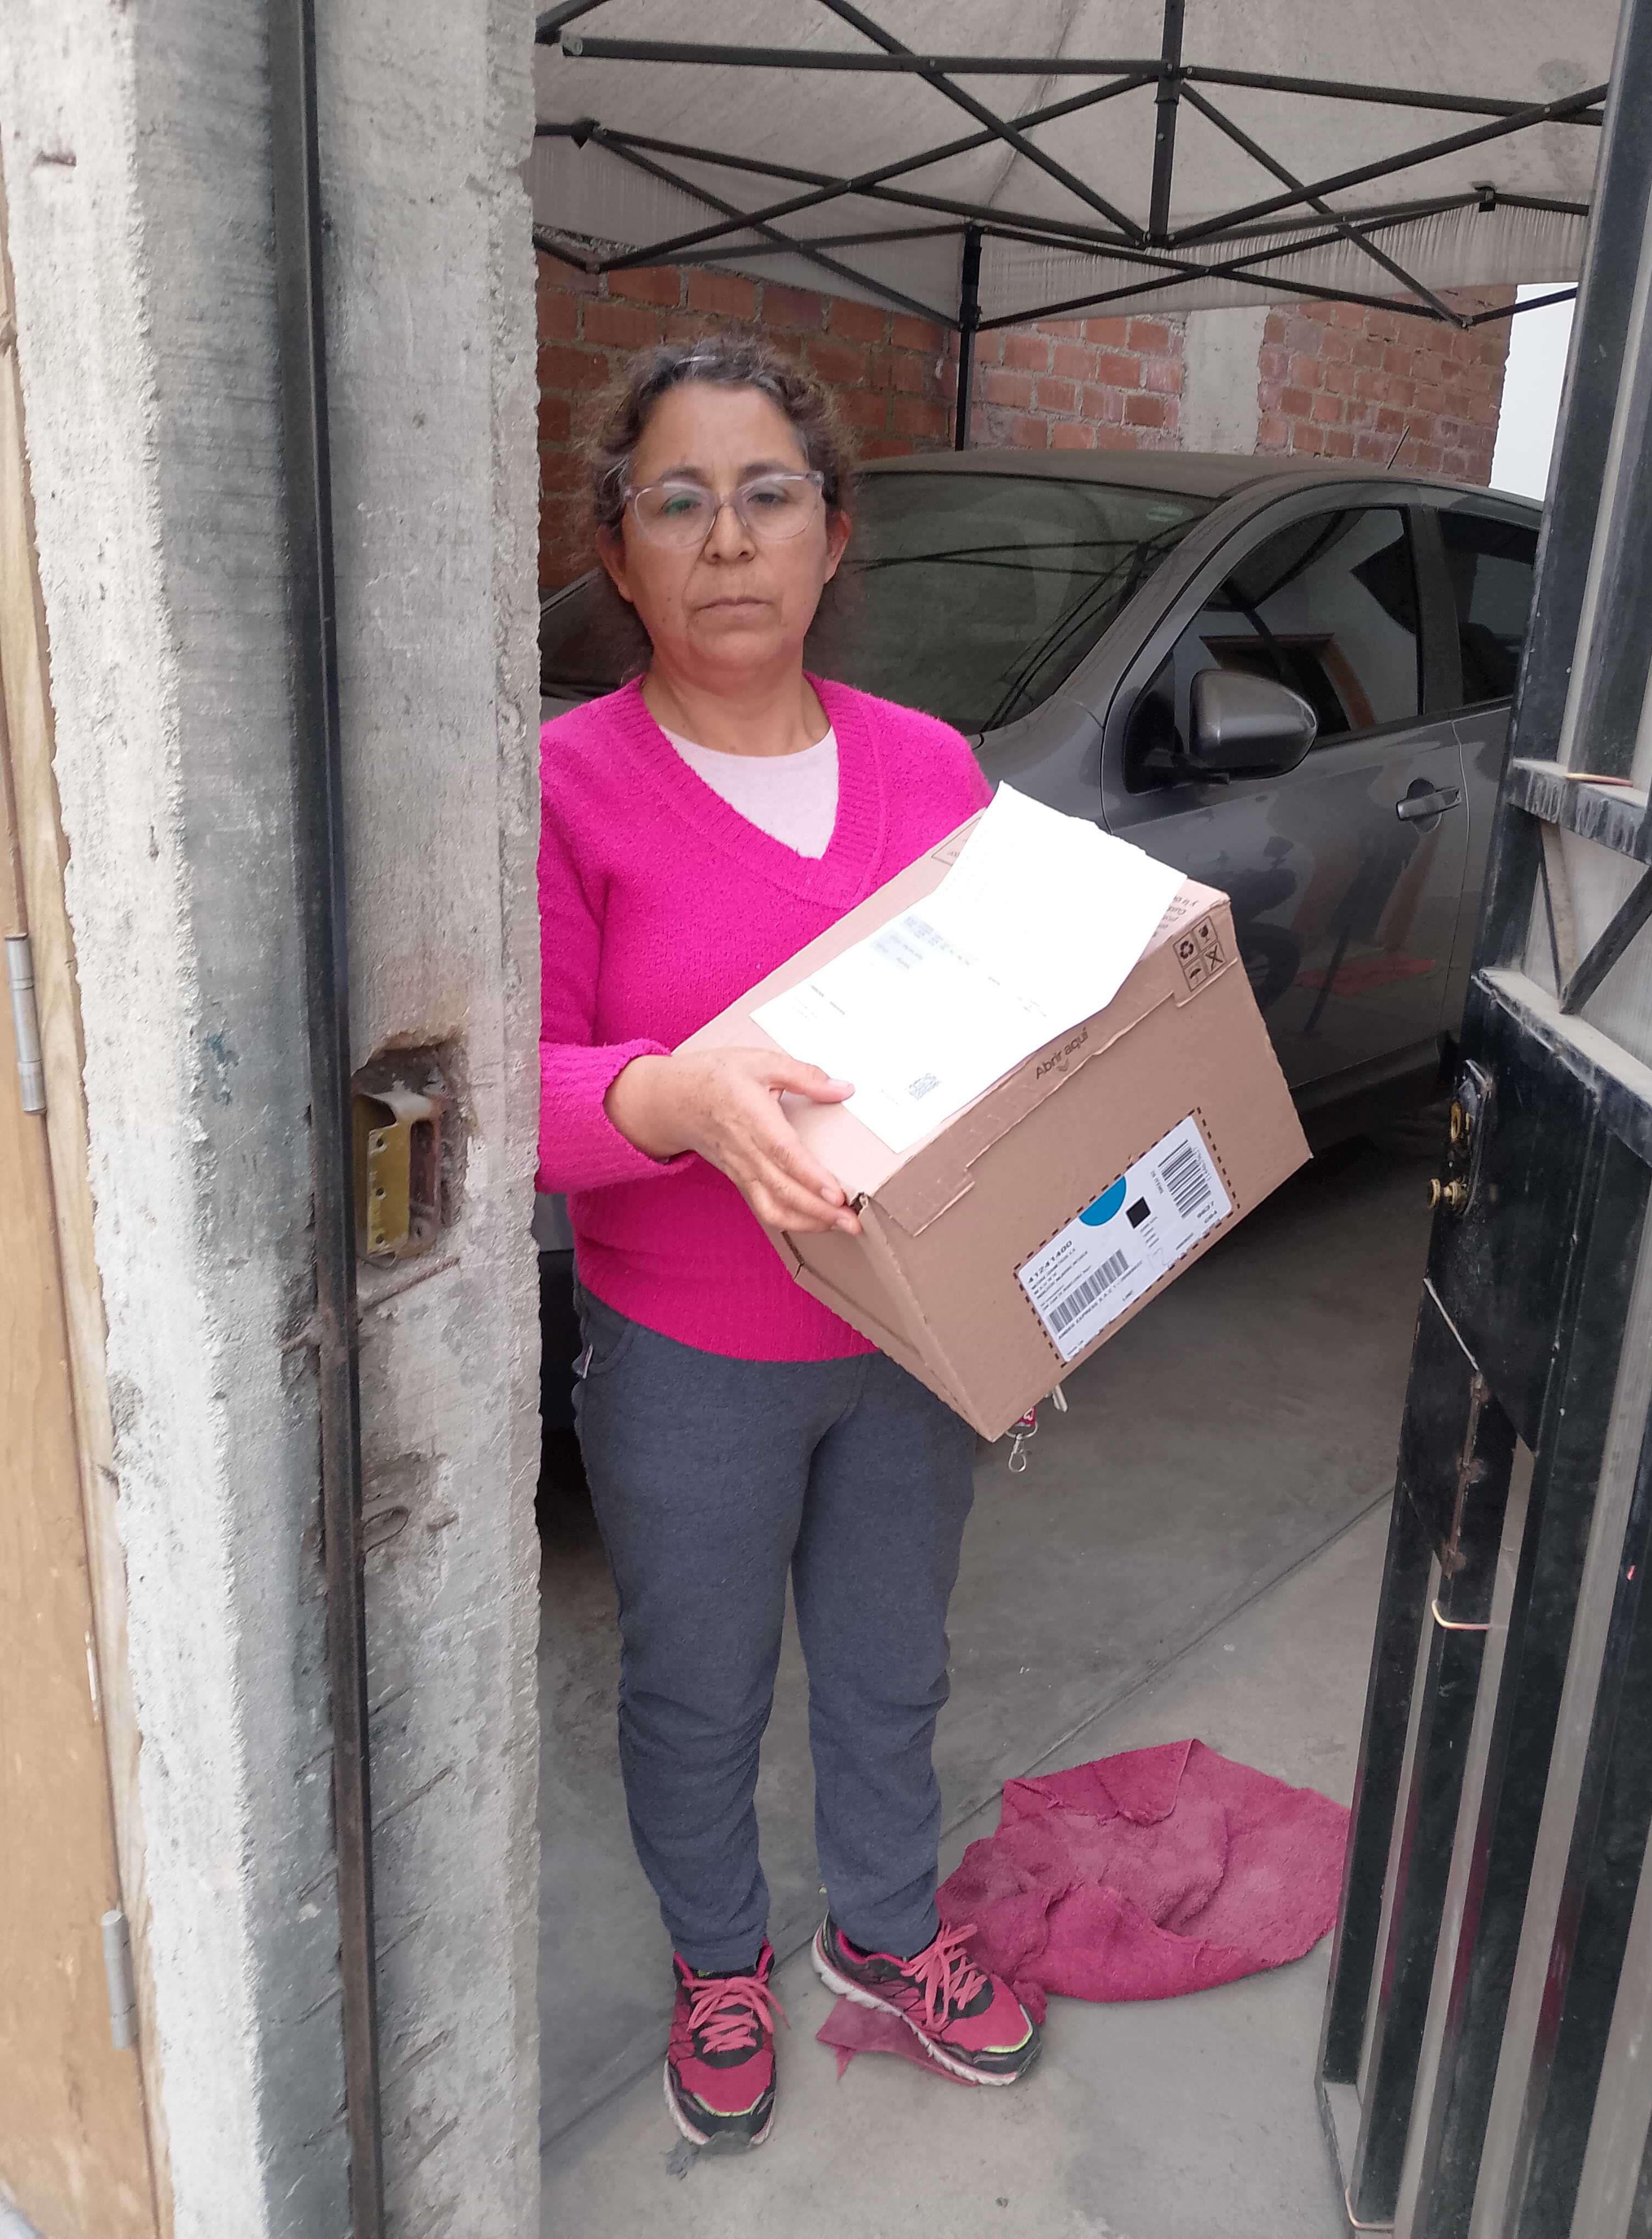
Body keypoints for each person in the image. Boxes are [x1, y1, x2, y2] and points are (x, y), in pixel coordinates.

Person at [538, 337, 1041, 2151]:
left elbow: (1019, 1055)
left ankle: (885, 1931)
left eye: (768, 495)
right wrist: (671, 1095)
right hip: (689, 1358)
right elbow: (512, 1090)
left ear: (834, 534)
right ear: (619, 553)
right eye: (677, 501)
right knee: (697, 1685)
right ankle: (720, 1958)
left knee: (893, 1662)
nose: (729, 539)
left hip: (906, 1340)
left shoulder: (932, 770)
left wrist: (1036, 1287)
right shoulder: (569, 783)